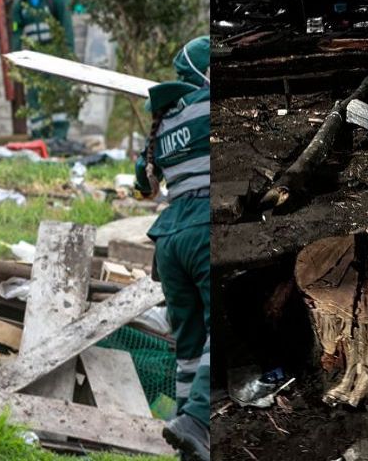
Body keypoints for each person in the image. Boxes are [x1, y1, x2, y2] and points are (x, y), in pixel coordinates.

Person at [134, 36, 211, 461]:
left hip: (169, 240)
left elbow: (143, 186)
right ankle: (198, 420)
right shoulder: (208, 107)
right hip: (202, 232)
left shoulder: (162, 120)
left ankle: (189, 445)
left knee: (188, 348)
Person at [9, 0, 77, 140]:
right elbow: (16, 33)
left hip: (55, 56)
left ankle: (60, 136)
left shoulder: (55, 0)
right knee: (35, 98)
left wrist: (68, 55)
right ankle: (40, 136)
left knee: (59, 97)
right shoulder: (20, 6)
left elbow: (67, 29)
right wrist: (15, 60)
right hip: (33, 59)